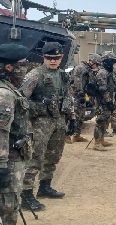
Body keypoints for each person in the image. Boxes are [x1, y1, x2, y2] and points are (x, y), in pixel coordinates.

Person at [19, 42, 76, 211]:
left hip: (58, 121)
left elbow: (68, 96)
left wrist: (72, 118)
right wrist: (39, 107)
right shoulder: (35, 75)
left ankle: (45, 186)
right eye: (49, 58)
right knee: (35, 158)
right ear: (43, 57)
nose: (53, 61)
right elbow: (20, 100)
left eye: (56, 58)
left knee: (53, 156)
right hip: (39, 123)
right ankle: (26, 194)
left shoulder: (62, 75)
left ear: (61, 58)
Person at [0, 44, 32, 225]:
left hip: (10, 157)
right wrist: (1, 167)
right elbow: (0, 133)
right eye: (23, 64)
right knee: (8, 208)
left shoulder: (9, 88)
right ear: (10, 67)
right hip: (7, 161)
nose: (25, 68)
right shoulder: (4, 94)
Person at [67, 53, 101, 143]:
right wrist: (80, 93)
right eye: (96, 64)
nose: (97, 66)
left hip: (82, 95)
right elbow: (77, 82)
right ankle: (66, 135)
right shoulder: (81, 68)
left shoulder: (88, 70)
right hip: (75, 95)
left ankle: (76, 135)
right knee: (73, 115)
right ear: (91, 62)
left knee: (81, 116)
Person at [89, 51, 116, 151]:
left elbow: (112, 85)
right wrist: (109, 101)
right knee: (100, 121)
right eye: (111, 61)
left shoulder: (109, 72)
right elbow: (103, 89)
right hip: (102, 101)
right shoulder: (102, 72)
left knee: (105, 120)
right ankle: (97, 143)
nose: (112, 63)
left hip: (107, 100)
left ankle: (102, 140)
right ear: (105, 61)